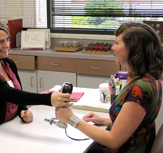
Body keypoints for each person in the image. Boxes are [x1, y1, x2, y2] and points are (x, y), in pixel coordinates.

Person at [56, 22, 163, 153]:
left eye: (117, 43)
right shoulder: (150, 78)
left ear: (134, 49)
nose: (113, 47)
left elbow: (113, 140)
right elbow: (138, 122)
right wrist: (107, 121)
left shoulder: (141, 87)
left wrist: (71, 119)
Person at [0, 17, 72, 143]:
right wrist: (49, 99)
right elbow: (9, 94)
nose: (7, 45)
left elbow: (18, 96)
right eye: (0, 42)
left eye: (7, 39)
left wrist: (23, 110)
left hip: (8, 129)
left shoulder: (8, 63)